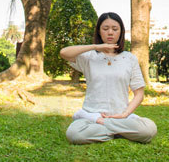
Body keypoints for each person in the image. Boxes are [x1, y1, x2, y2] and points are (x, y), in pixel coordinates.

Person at [60, 12, 157, 144]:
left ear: (121, 32)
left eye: (115, 29)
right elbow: (64, 53)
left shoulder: (129, 58)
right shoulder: (89, 57)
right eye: (105, 29)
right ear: (99, 32)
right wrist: (96, 47)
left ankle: (106, 128)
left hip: (121, 117)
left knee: (149, 130)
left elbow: (139, 94)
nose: (110, 32)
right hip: (93, 116)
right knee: (74, 134)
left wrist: (124, 114)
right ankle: (119, 132)